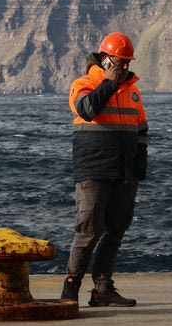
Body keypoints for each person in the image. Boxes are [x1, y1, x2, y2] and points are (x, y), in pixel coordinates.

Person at [61, 31, 148, 307]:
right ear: (105, 60)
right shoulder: (83, 84)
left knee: (115, 233)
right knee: (88, 232)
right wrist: (109, 84)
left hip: (124, 175)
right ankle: (69, 292)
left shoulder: (132, 92)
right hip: (94, 172)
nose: (123, 68)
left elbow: (142, 130)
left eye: (127, 63)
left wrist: (138, 167)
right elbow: (86, 110)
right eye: (119, 62)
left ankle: (102, 290)